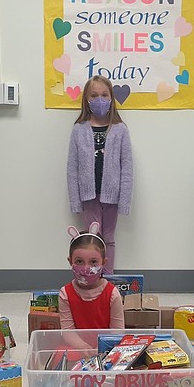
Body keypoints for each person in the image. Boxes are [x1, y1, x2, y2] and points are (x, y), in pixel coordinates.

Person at [67, 75, 134, 274]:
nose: (99, 99)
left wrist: (125, 199)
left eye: (104, 95)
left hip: (112, 196)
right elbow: (72, 167)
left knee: (109, 238)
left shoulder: (120, 129)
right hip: (88, 195)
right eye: (94, 95)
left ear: (111, 98)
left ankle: (108, 277)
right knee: (92, 238)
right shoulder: (78, 129)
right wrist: (75, 200)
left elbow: (127, 167)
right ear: (87, 100)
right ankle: (92, 276)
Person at [58, 223, 125, 330]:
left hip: (106, 346)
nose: (86, 268)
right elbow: (68, 332)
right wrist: (85, 347)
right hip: (75, 346)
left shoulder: (112, 294)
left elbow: (117, 332)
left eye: (93, 262)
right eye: (79, 261)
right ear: (70, 261)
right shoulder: (65, 294)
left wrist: (100, 347)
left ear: (104, 262)